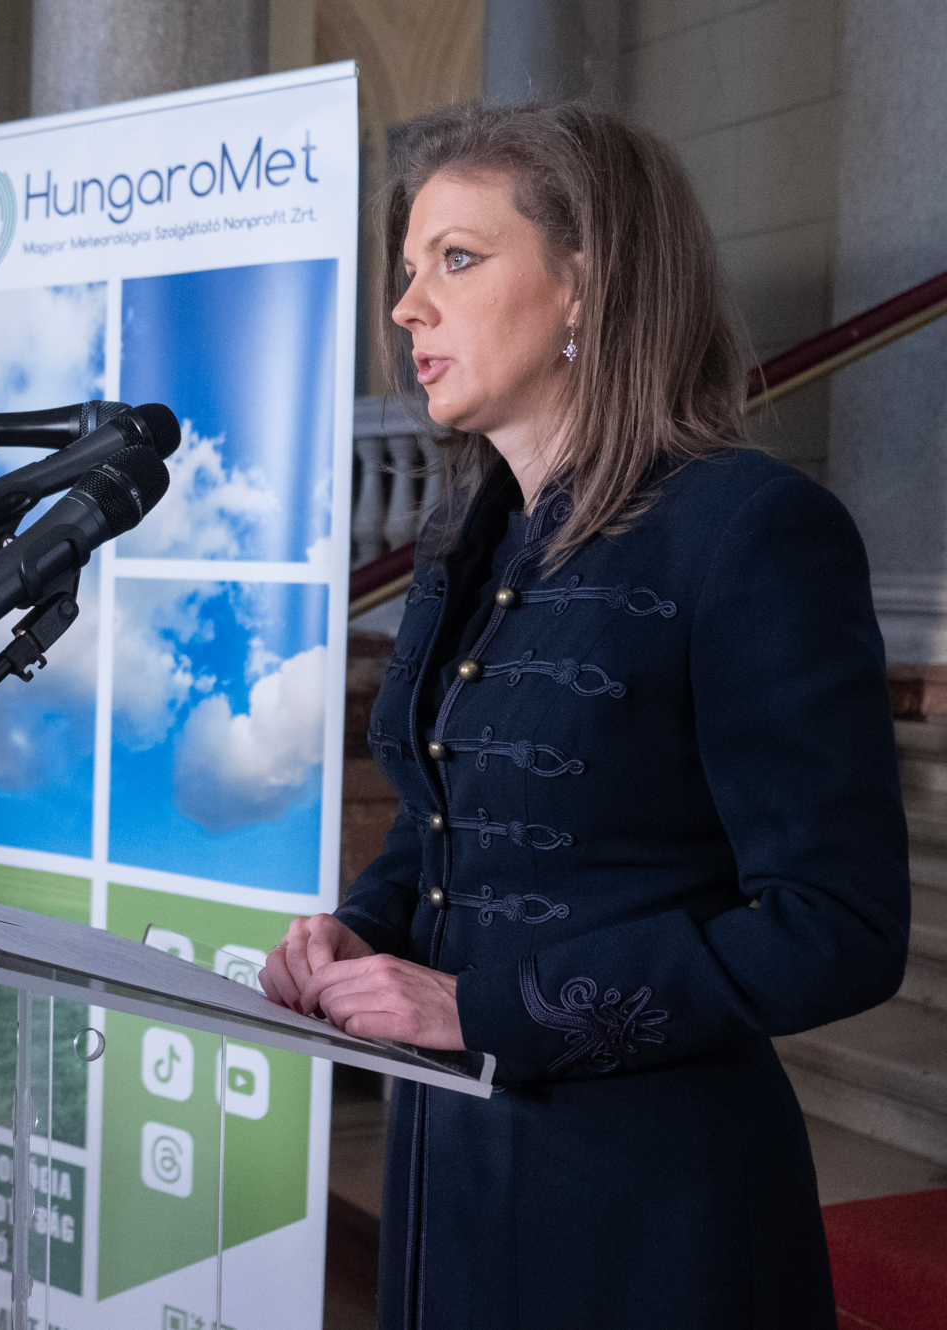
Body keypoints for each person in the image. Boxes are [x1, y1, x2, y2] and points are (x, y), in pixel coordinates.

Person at [261, 102, 911, 1329]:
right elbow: (447, 826)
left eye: (455, 259)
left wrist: (478, 1009)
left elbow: (837, 925)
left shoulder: (748, 530)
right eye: (407, 269)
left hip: (646, 1204)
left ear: (584, 282)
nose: (405, 308)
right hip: (448, 1161)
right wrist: (360, 929)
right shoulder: (466, 538)